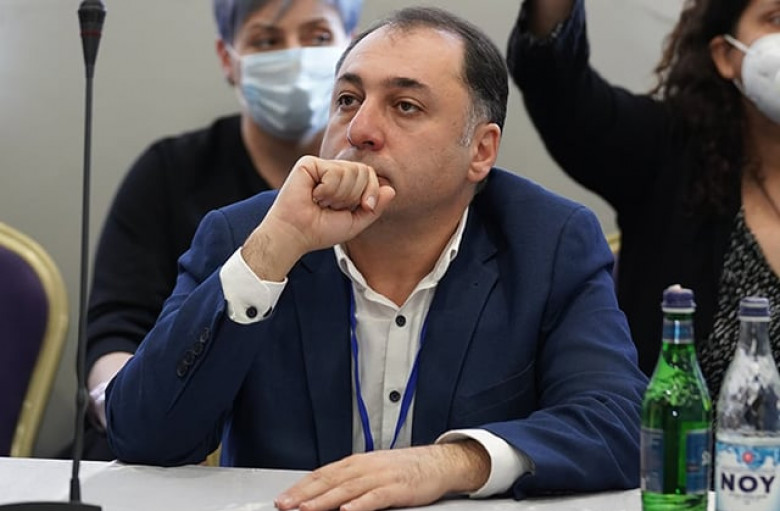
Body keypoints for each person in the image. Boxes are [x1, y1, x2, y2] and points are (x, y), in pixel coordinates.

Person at [105, 6, 647, 508]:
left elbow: (620, 425)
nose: (360, 130)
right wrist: (274, 251)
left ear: (480, 150)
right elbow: (142, 435)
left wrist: (455, 462)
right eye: (347, 100)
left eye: (405, 106)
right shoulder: (249, 236)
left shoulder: (548, 242)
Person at [81, 0, 362, 460]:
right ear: (228, 58)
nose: (294, 58)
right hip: (171, 456)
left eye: (317, 37)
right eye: (266, 41)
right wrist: (127, 410)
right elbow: (116, 328)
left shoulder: (381, 186)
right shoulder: (170, 173)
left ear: (349, 51)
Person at [508, 0, 780, 398]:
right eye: (776, 18)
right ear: (726, 55)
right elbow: (558, 87)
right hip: (674, 437)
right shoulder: (668, 153)